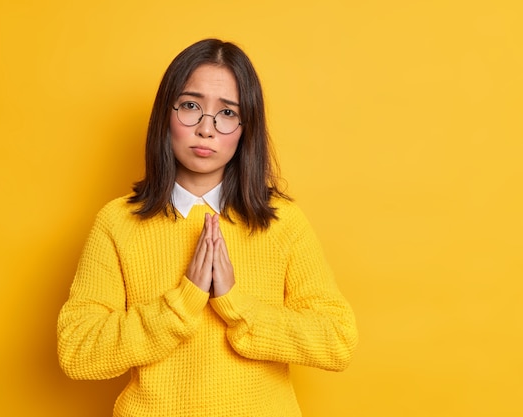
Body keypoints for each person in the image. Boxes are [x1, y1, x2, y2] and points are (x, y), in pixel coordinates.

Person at [57, 38, 358, 417]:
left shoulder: (283, 223)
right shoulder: (117, 222)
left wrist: (235, 305)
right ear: (165, 115)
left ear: (246, 127)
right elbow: (78, 350)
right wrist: (181, 304)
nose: (206, 128)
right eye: (190, 106)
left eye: (227, 113)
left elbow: (337, 340)